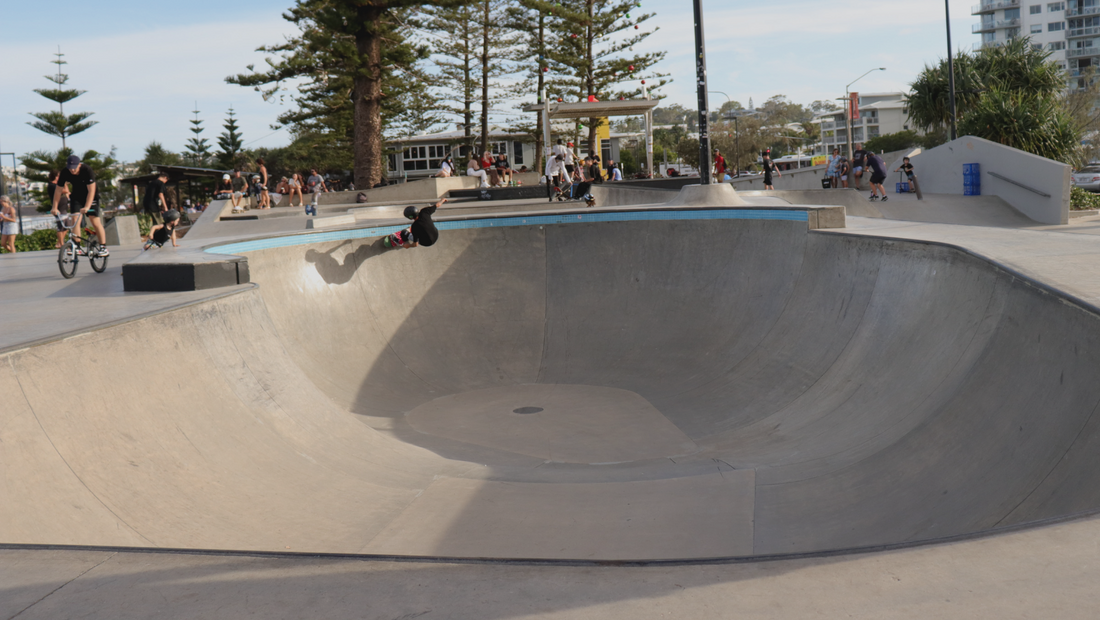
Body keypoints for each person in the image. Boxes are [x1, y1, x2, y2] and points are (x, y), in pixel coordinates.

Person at [52, 155, 108, 257]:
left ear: (79, 165)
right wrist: (54, 207)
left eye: (74, 168)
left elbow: (91, 190)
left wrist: (87, 207)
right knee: (75, 219)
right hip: (77, 197)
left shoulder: (87, 170)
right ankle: (77, 246)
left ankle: (103, 247)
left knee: (95, 221)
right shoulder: (65, 172)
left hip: (91, 197)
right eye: (70, 168)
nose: (72, 170)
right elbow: (58, 190)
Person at [47, 170, 71, 248]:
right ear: (56, 177)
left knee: (67, 226)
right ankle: (61, 244)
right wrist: (64, 183)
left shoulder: (56, 185)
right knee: (61, 227)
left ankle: (59, 242)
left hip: (63, 208)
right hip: (59, 209)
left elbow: (67, 193)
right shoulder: (52, 186)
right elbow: (65, 191)